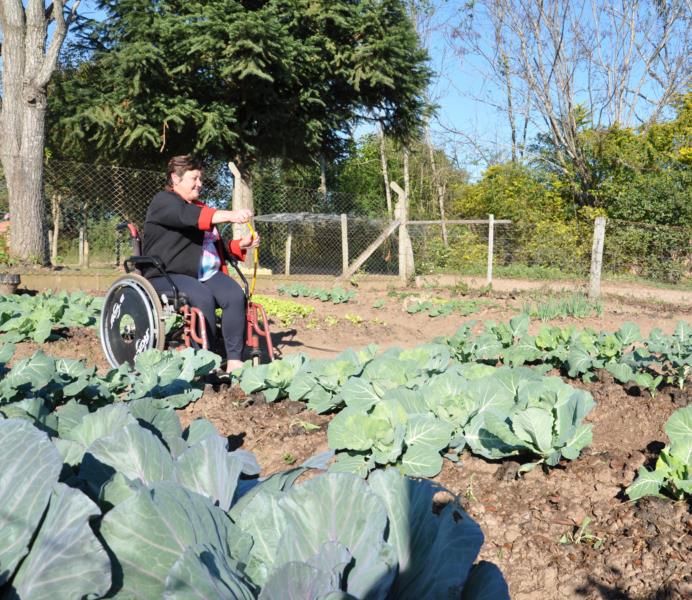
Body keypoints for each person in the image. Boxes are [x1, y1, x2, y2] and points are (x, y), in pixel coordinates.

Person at [142, 155, 259, 373]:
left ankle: (234, 359)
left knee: (234, 295)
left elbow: (212, 247)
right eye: (194, 178)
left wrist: (240, 244)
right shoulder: (164, 202)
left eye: (201, 178)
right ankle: (207, 359)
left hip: (200, 274)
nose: (200, 183)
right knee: (202, 296)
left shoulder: (199, 207)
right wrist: (232, 215)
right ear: (175, 178)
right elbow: (188, 216)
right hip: (166, 274)